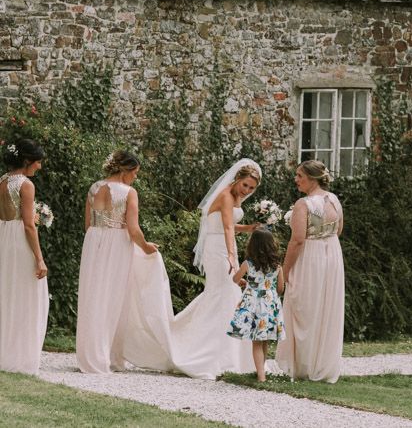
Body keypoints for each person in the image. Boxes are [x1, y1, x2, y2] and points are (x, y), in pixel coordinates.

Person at [121, 159, 261, 379]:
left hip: (225, 246)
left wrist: (250, 228)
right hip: (219, 250)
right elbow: (225, 227)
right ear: (237, 179)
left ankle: (227, 354)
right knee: (224, 295)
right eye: (245, 185)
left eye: (252, 188)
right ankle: (213, 354)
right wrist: (232, 256)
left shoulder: (233, 197)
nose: (247, 191)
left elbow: (230, 226)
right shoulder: (225, 195)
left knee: (222, 296)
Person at [76, 150, 158, 373]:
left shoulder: (94, 187)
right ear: (125, 171)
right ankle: (110, 355)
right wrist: (146, 247)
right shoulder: (129, 192)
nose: (136, 177)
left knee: (93, 295)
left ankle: (91, 354)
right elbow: (133, 229)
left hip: (93, 240)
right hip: (117, 244)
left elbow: (87, 224)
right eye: (135, 173)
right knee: (113, 297)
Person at [275, 160, 344, 383]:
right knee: (325, 308)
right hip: (332, 256)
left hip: (310, 259)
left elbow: (296, 241)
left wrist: (283, 273)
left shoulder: (303, 204)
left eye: (299, 176)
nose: (296, 179)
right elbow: (338, 230)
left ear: (312, 178)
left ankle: (304, 366)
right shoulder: (333, 200)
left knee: (303, 307)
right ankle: (321, 365)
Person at [0, 139, 49, 375]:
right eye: (38, 162)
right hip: (19, 242)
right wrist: (39, 258)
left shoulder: (1, 180)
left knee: (7, 294)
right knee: (26, 295)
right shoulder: (25, 185)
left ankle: (6, 349)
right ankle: (19, 355)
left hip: (3, 238)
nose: (39, 167)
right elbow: (29, 226)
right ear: (27, 161)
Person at [228, 228, 285, 382]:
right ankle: (262, 371)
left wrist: (247, 282)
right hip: (270, 302)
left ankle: (261, 376)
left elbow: (235, 279)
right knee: (264, 339)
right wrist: (269, 291)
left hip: (253, 303)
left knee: (256, 341)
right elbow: (280, 289)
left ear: (252, 245)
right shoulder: (278, 266)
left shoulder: (248, 263)